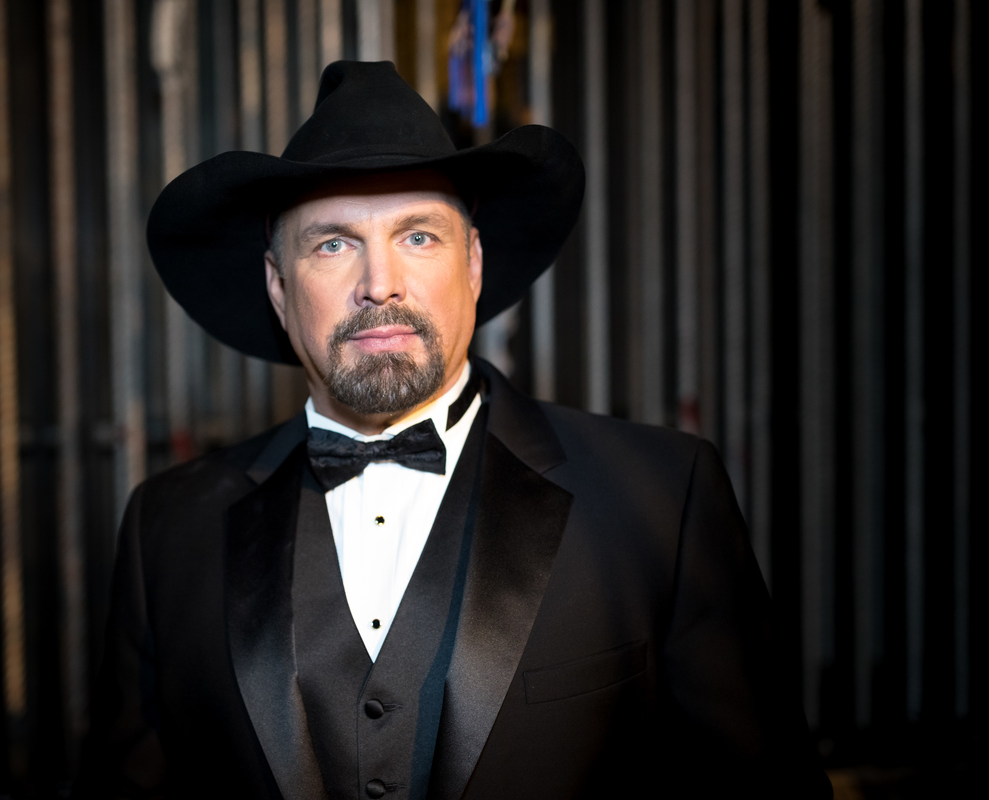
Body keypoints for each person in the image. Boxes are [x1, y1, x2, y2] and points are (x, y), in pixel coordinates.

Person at [77, 61, 830, 800]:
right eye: (333, 243)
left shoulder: (661, 498)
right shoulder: (168, 528)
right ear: (279, 286)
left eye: (419, 237)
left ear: (472, 263)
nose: (380, 283)